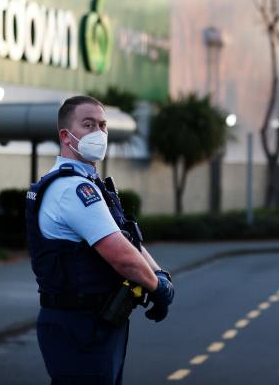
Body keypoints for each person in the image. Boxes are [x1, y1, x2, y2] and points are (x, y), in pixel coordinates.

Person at [25, 95, 175, 384]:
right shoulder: (73, 190)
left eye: (103, 125)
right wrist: (159, 289)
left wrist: (157, 276)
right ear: (66, 136)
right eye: (88, 124)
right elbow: (121, 256)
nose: (99, 133)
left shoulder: (90, 183)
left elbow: (127, 238)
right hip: (79, 325)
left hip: (96, 321)